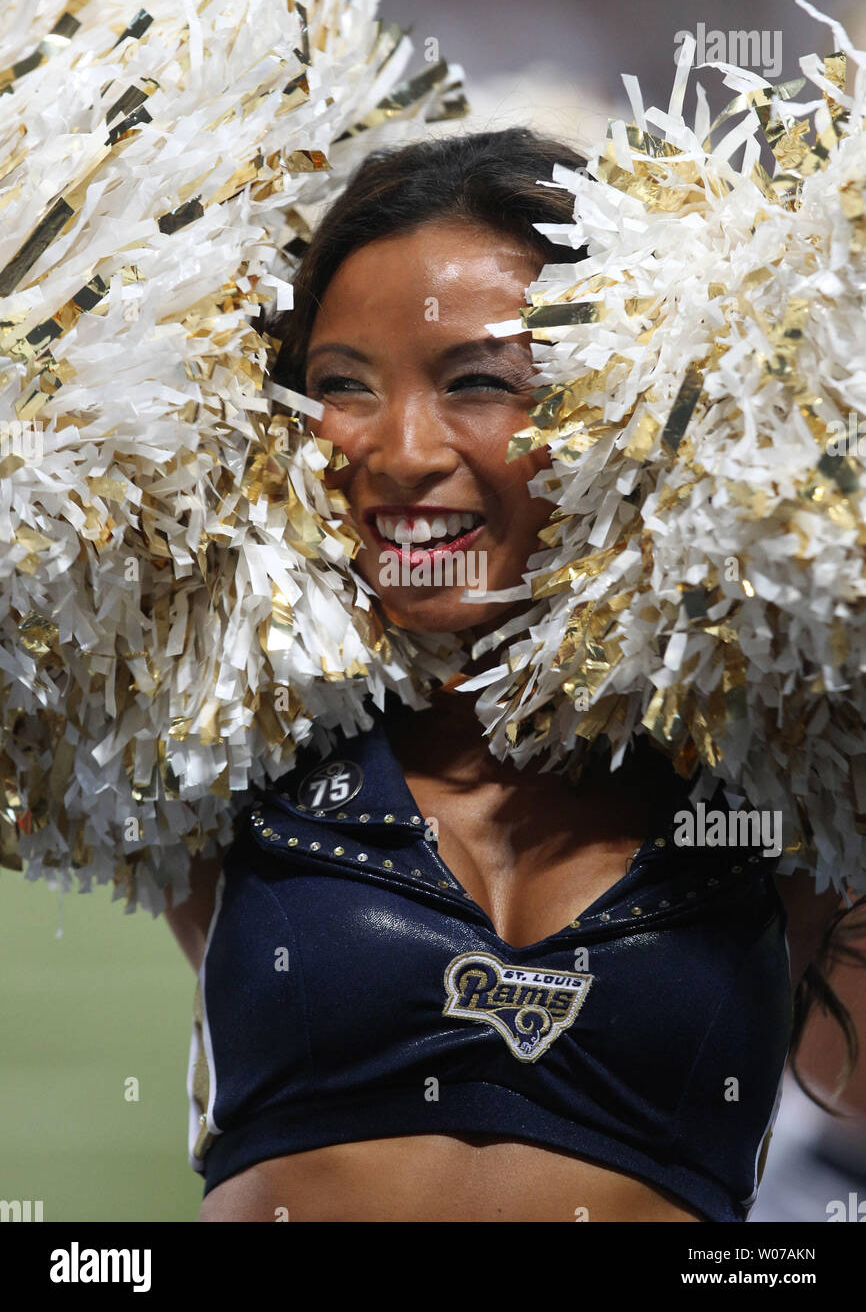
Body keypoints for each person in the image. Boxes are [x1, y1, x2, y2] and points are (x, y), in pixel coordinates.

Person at [165, 127, 850, 1223]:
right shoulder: (219, 722)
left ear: (618, 402)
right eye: (340, 385)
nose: (397, 451)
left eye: (476, 382)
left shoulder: (771, 764)